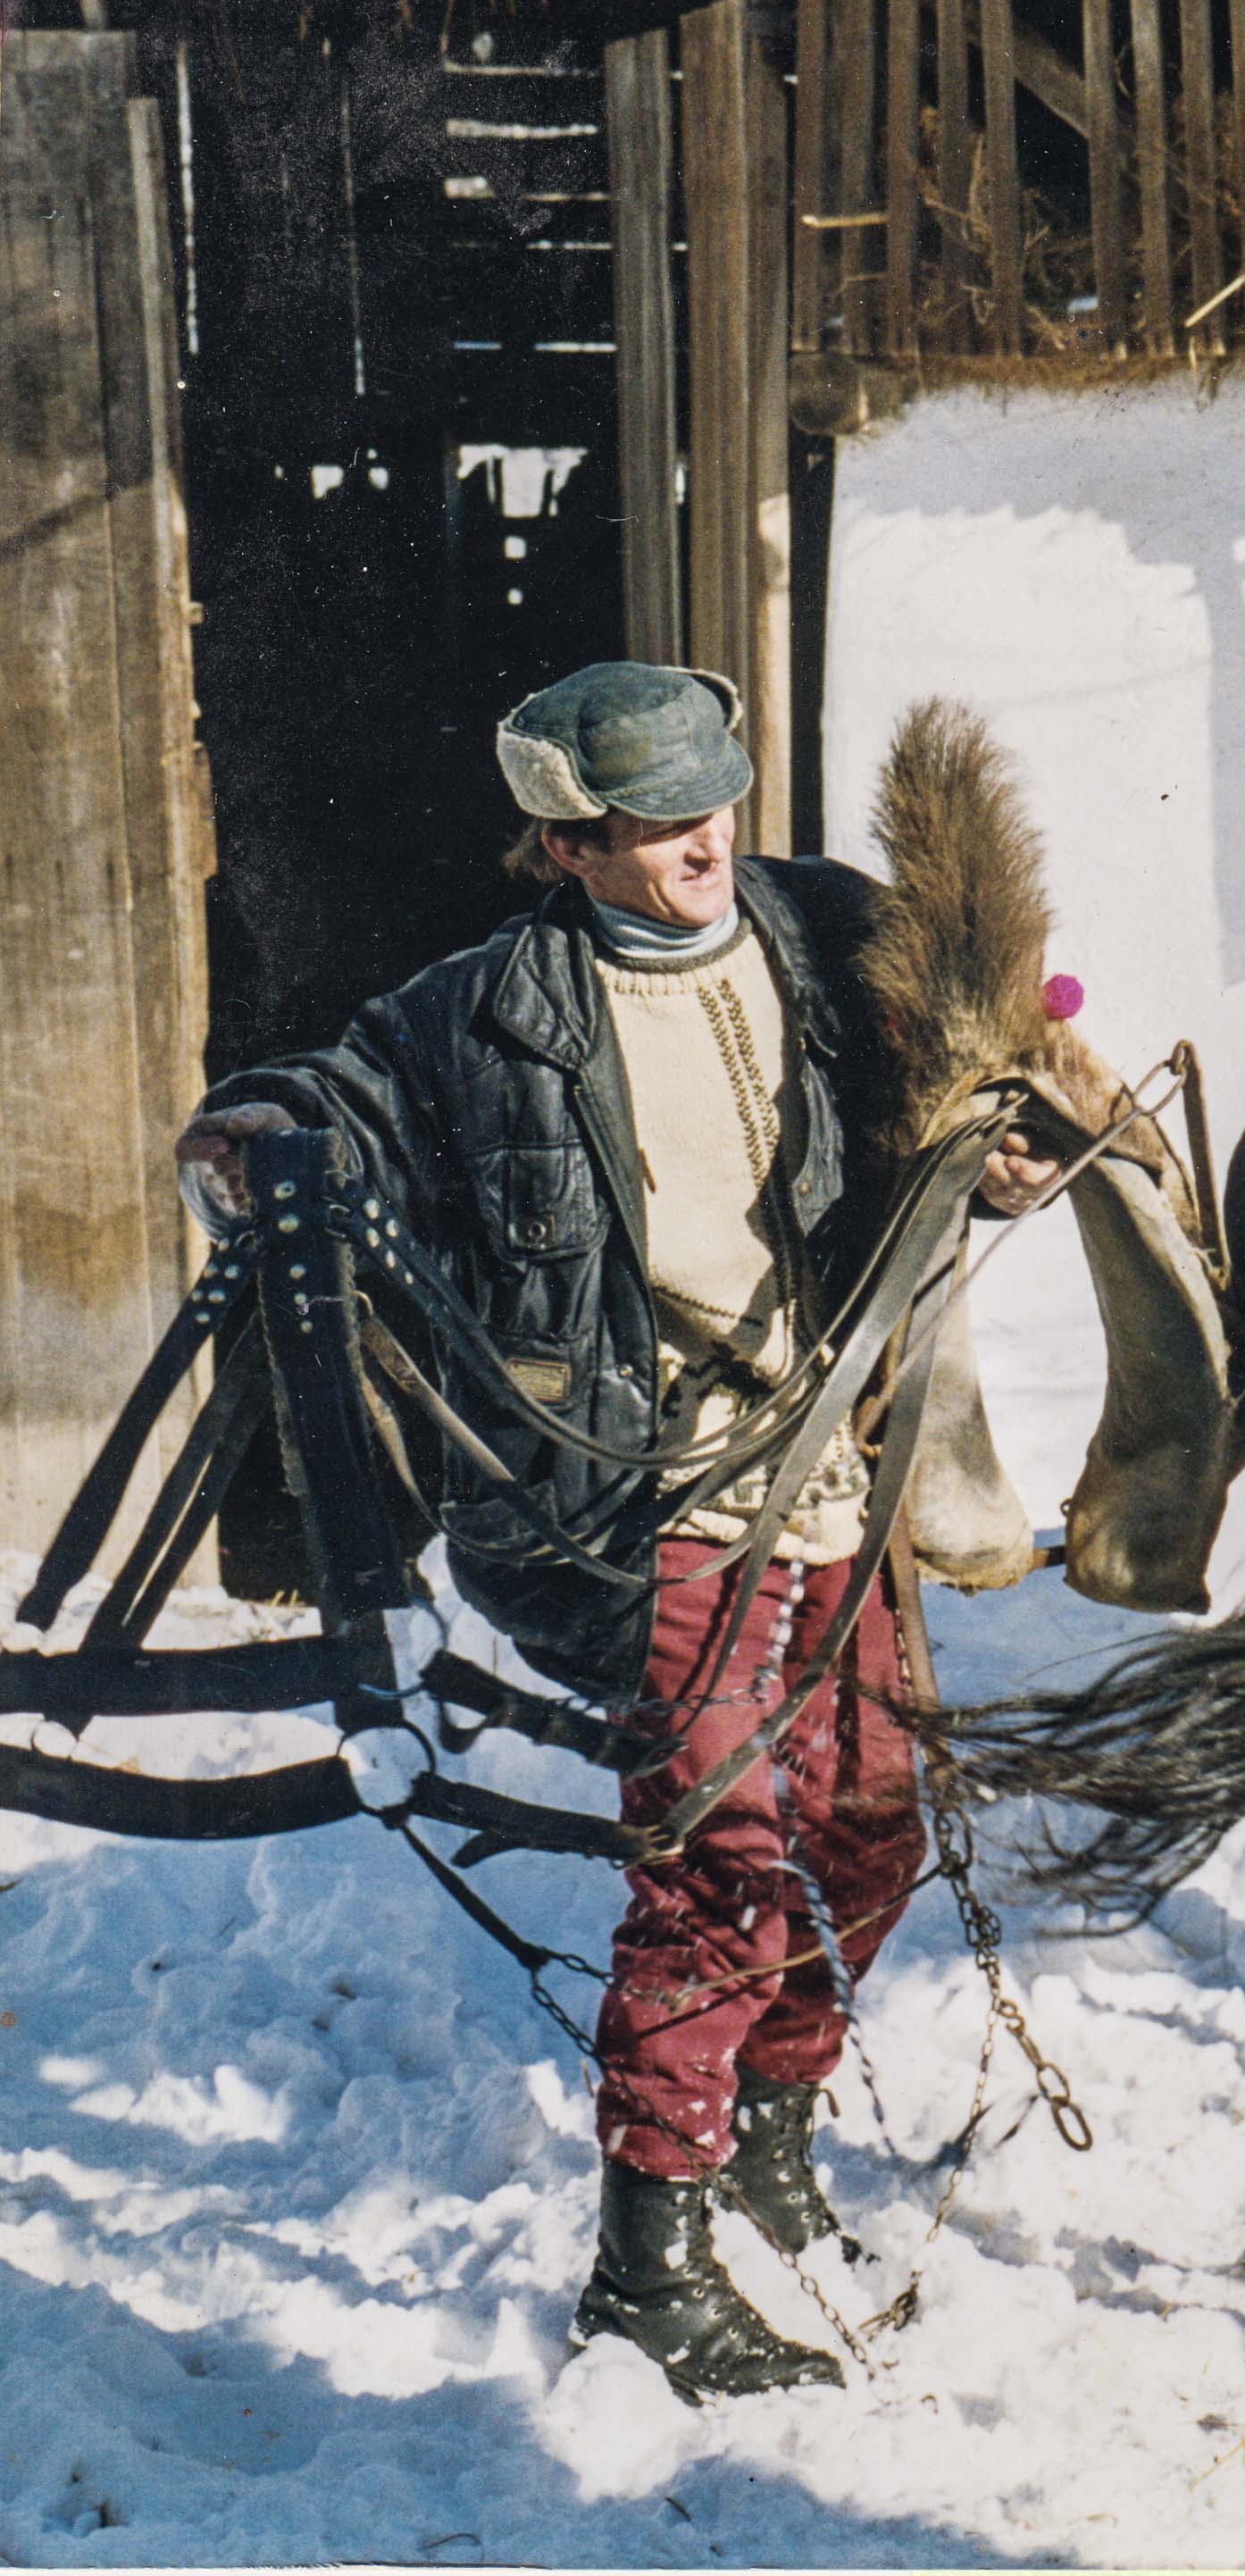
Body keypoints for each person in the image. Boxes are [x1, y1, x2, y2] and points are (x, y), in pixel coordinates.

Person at [173, 664, 1057, 2404]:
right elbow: (334, 1090)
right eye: (657, 823)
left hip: (835, 1460)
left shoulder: (822, 933)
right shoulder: (485, 1016)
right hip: (654, 1502)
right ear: (569, 847)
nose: (703, 840)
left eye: (714, 800)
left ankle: (771, 2131)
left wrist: (1008, 1143)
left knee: (877, 1823)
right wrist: (257, 1130)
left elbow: (974, 1070)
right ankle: (648, 2264)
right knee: (721, 1865)